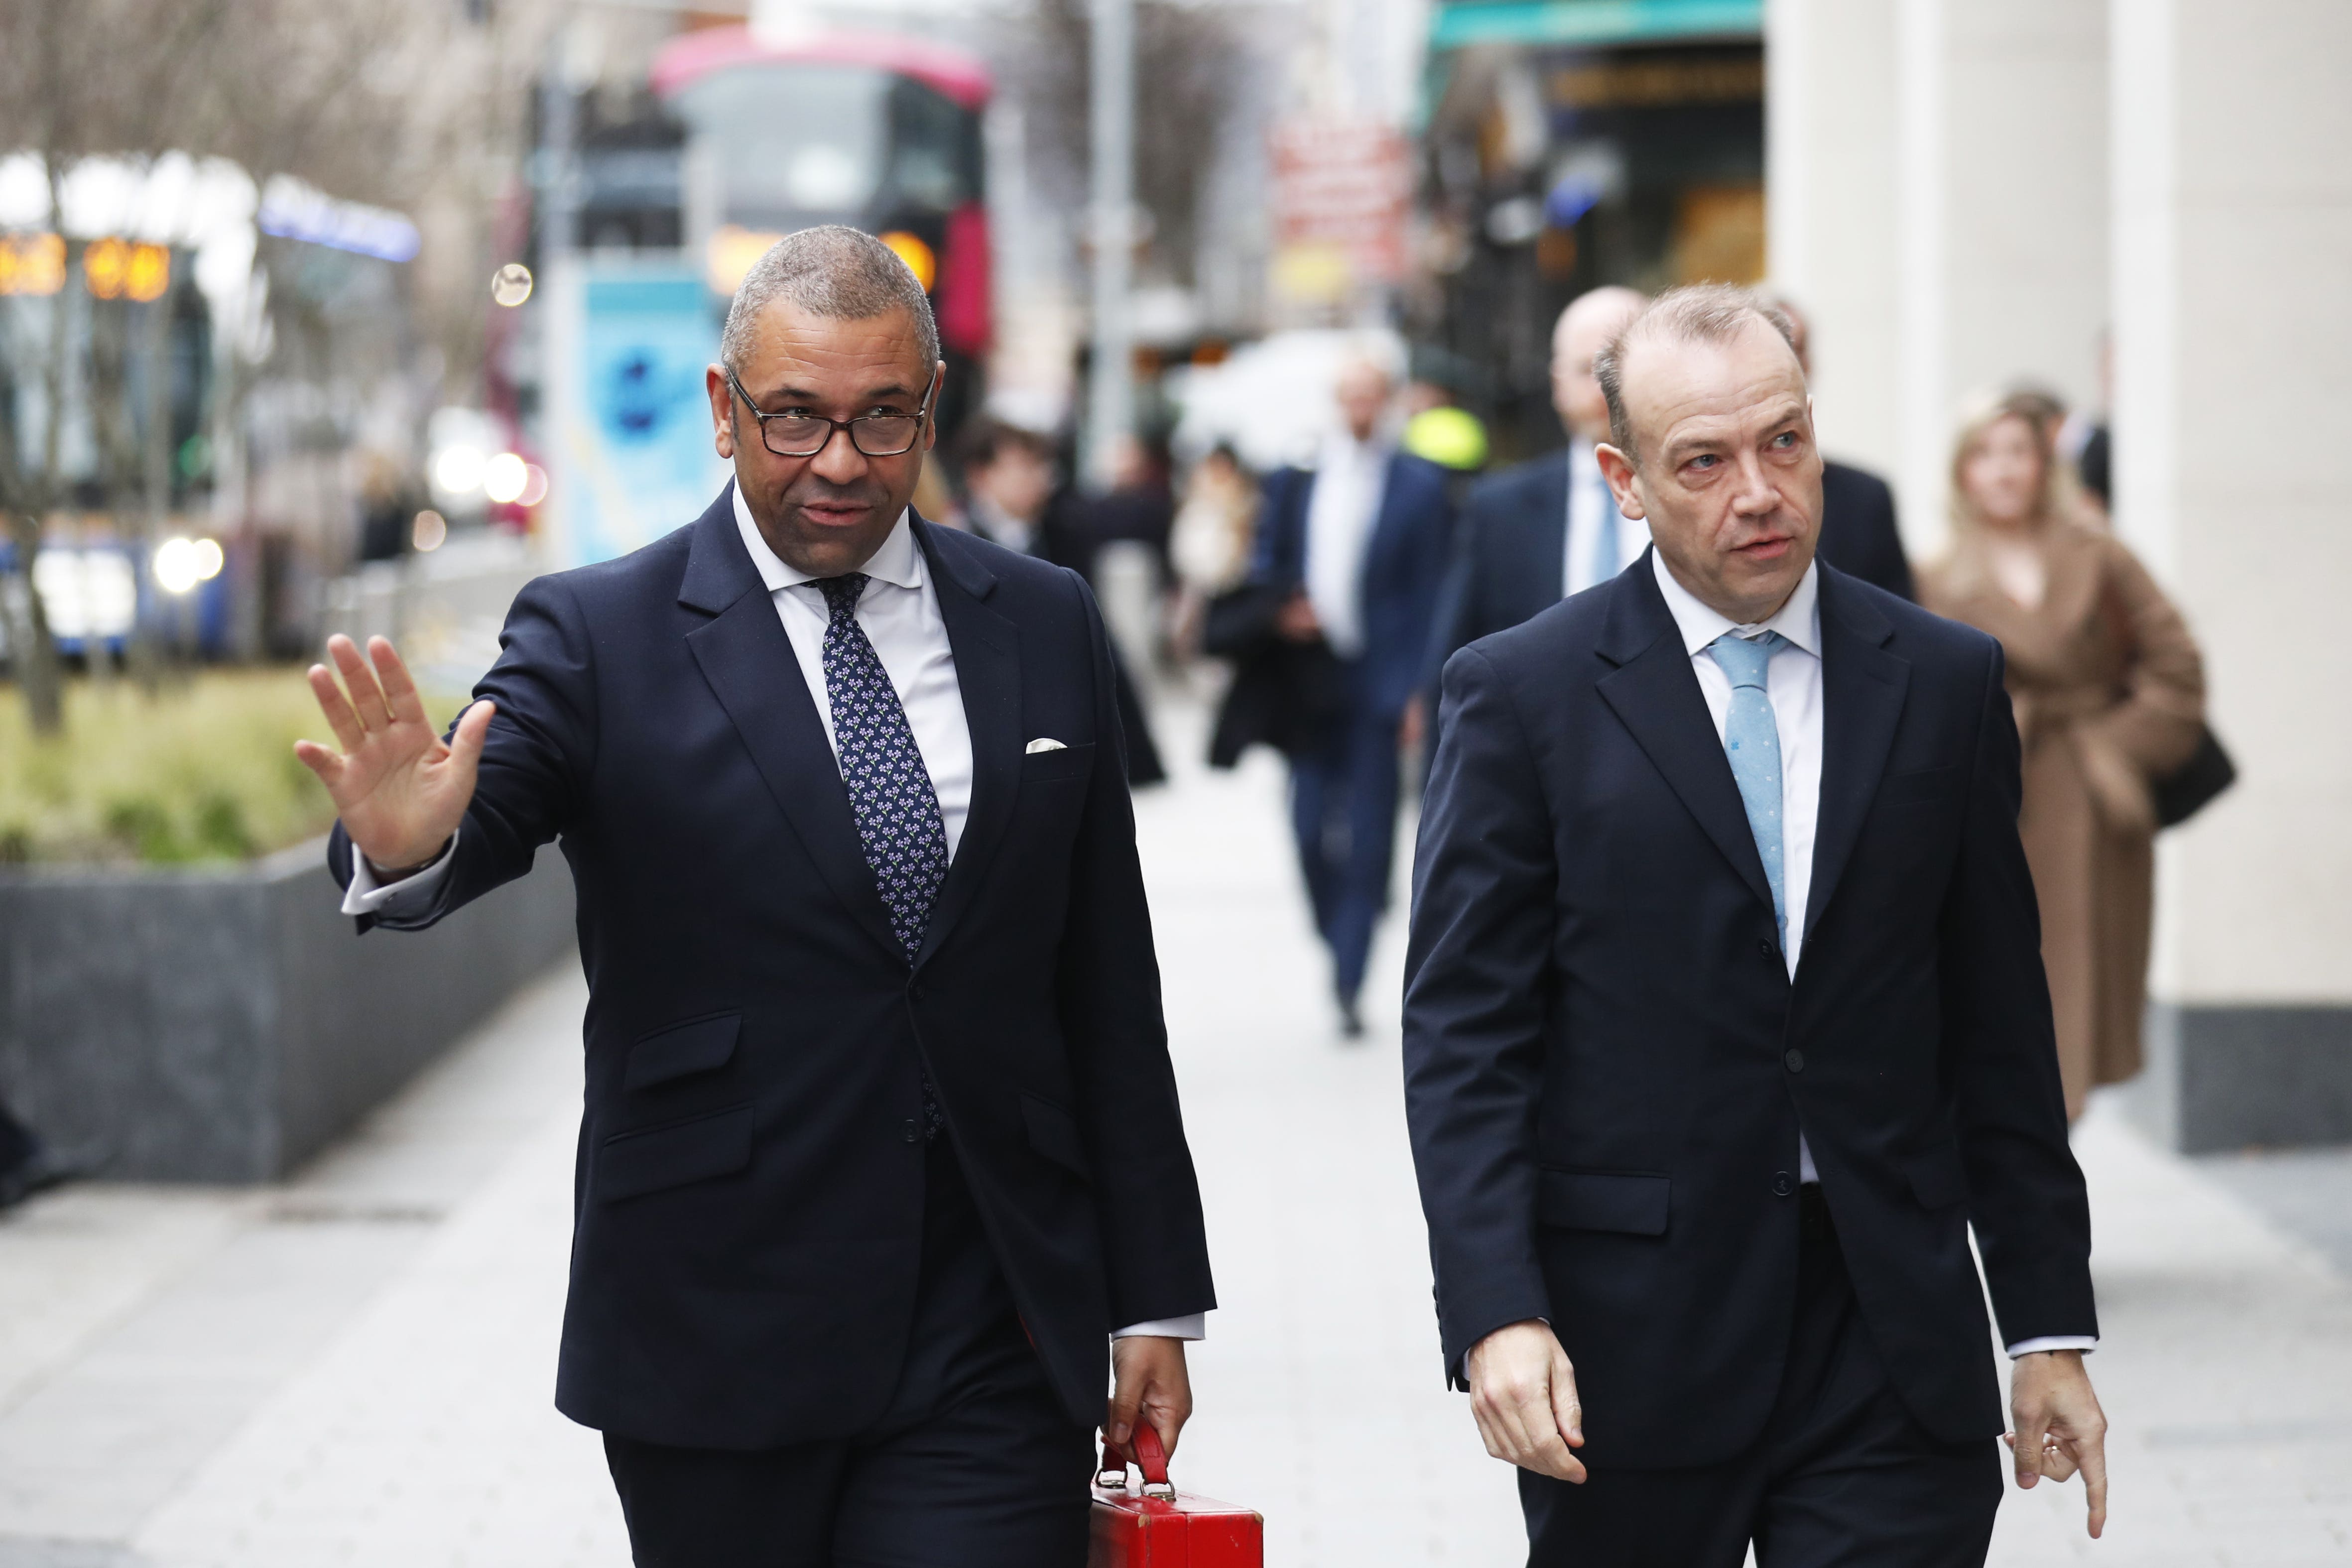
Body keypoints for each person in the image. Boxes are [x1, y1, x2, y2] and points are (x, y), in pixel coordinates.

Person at [292, 226, 1215, 1567]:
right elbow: (481, 805)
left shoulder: (1041, 617)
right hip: (715, 1322)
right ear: (724, 411)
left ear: (930, 405)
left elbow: (1106, 985)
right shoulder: (599, 632)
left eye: (878, 418)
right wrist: (404, 839)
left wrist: (1155, 1295)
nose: (838, 460)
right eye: (794, 418)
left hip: (993, 1325)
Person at [1403, 285, 2108, 1567]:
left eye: (1783, 441)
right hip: (1626, 1346)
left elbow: (1999, 1024)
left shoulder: (1943, 681)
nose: (1757, 490)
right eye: (1703, 461)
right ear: (1623, 478)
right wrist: (1495, 1308)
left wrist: (2045, 1323)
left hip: (1885, 1332)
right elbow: (1464, 1036)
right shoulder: (1520, 695)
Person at [1920, 392, 2203, 1120]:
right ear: (1959, 472)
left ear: (2042, 462)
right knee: (2002, 1003)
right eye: (1983, 454)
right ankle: (2023, 1185)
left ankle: (2044, 1177)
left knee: (2077, 1005)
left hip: (2096, 799)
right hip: (1998, 809)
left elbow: (2175, 666)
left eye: (2016, 451)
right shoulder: (1935, 578)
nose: (2002, 470)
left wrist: (2115, 749)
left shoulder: (2096, 553)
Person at [1241, 357, 1451, 1037]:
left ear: (1386, 402)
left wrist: (1423, 689)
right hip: (1309, 679)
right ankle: (1338, 933)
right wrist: (1282, 612)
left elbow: (1432, 595)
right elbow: (1266, 563)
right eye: (1349, 396)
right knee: (1306, 828)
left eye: (1370, 396)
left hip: (1380, 684)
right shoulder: (1297, 479)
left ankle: (1351, 973)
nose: (1360, 407)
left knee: (1367, 836)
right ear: (1336, 402)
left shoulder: (1420, 486)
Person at [1428, 286, 1647, 678]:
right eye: (1586, 370)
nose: (1603, 388)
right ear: (1556, 384)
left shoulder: (1702, 491)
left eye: (1619, 367)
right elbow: (1458, 657)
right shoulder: (1497, 510)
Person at [1772, 297, 1915, 600]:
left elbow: (1900, 623)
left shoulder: (1866, 499)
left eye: (1792, 350)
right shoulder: (1683, 491)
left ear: (1808, 366)